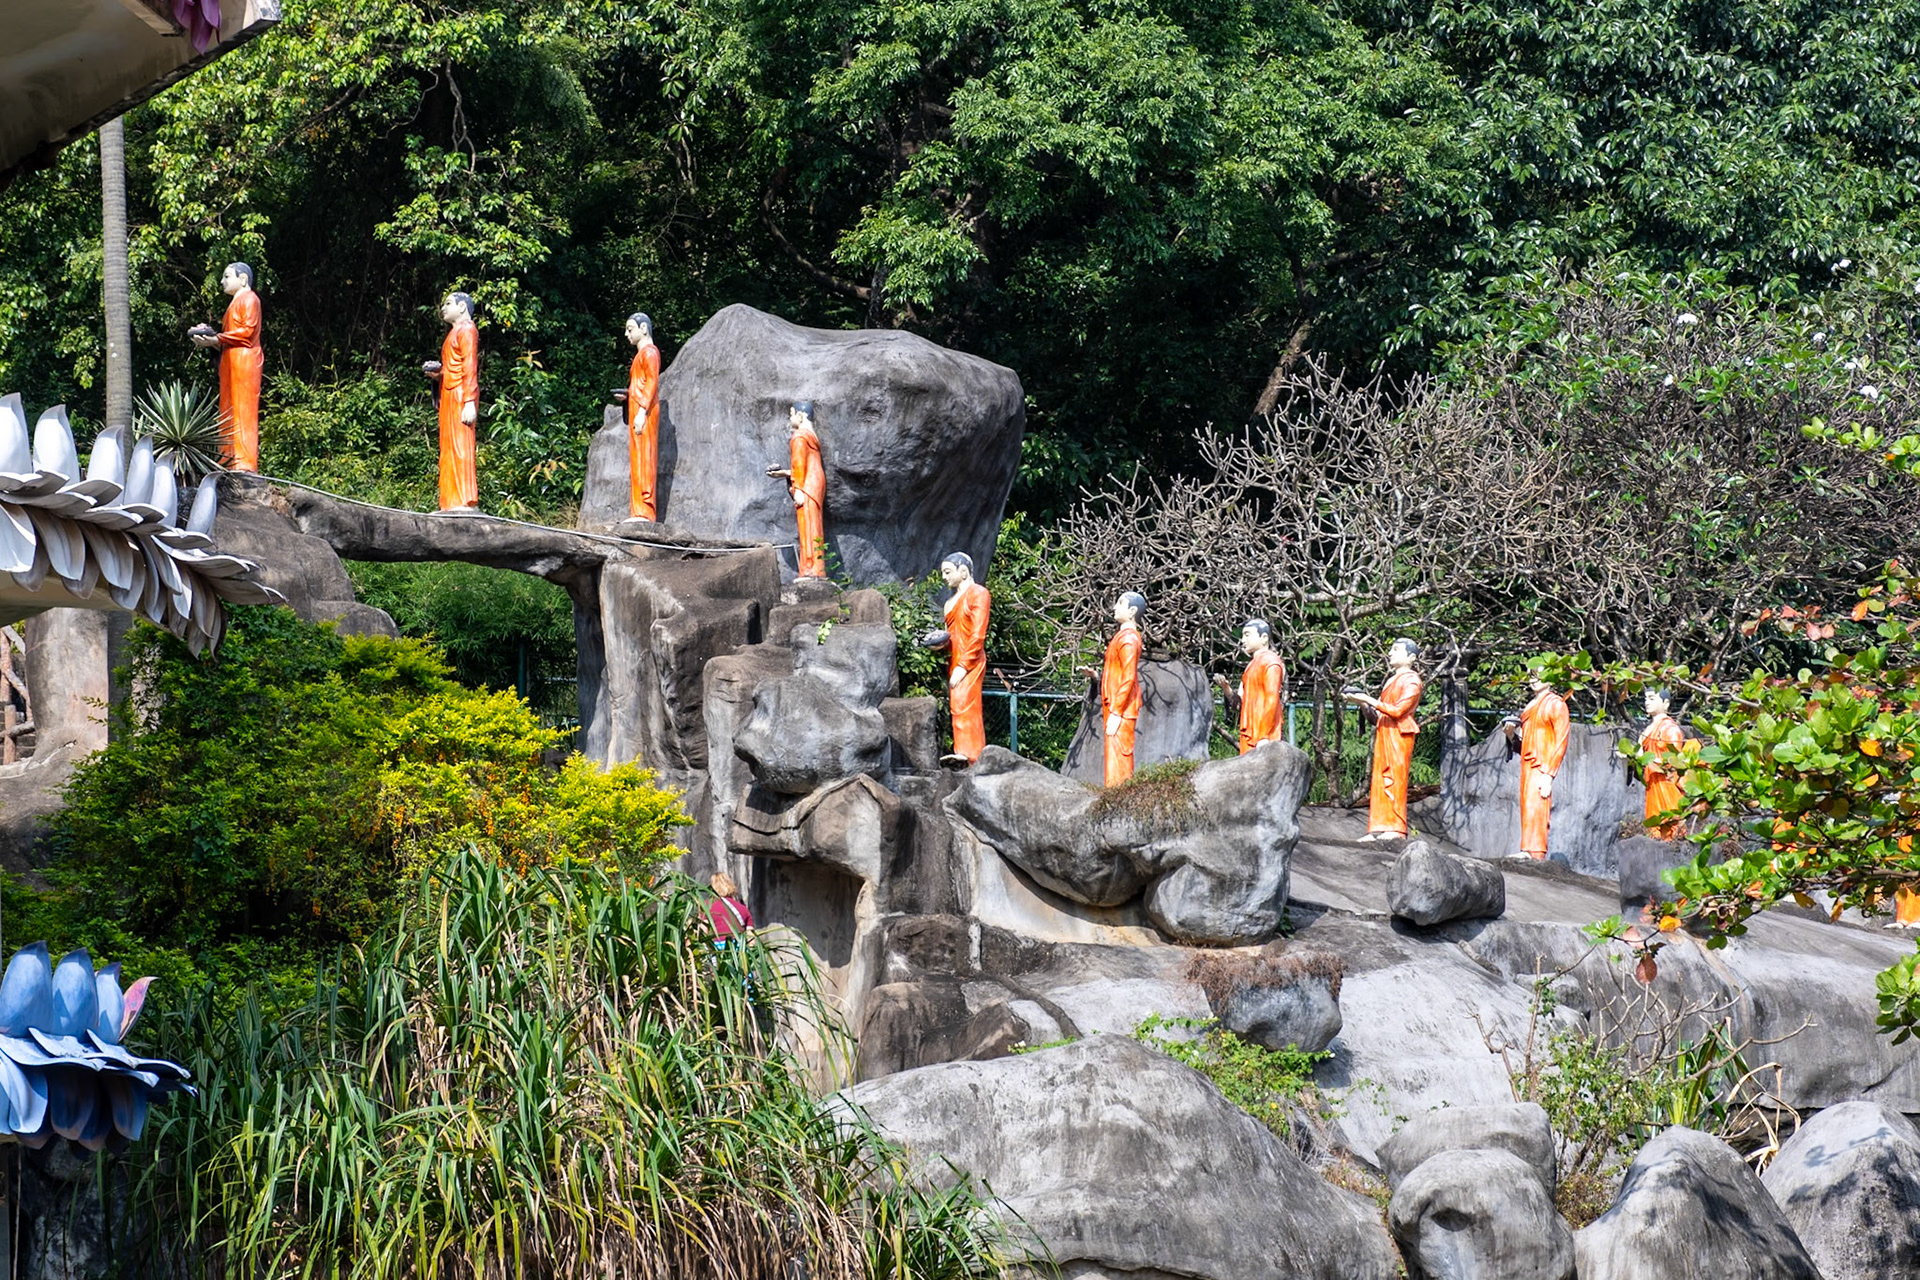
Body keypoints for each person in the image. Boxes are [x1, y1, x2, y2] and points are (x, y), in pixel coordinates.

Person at [1344, 638, 1423, 841]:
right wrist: (1362, 704)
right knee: (1380, 780)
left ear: (1411, 657)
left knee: (1395, 779)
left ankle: (1396, 827)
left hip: (1399, 735)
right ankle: (1378, 826)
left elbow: (1398, 711)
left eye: (1396, 650)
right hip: (1384, 732)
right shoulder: (1390, 681)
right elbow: (1377, 717)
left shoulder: (1412, 680)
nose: (1390, 653)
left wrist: (1367, 699)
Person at [188, 262, 262, 471]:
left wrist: (217, 338)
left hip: (244, 360)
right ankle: (227, 460)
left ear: (243, 279)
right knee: (227, 410)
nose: (222, 281)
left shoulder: (249, 299)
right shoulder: (235, 303)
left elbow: (247, 333)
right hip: (230, 360)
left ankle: (244, 463)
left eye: (227, 276)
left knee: (242, 411)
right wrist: (213, 343)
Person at [925, 552, 990, 764]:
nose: (944, 577)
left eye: (947, 572)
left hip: (970, 659)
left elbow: (978, 634)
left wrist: (964, 665)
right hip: (954, 659)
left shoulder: (978, 594)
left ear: (963, 571)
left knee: (966, 703)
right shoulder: (949, 603)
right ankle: (961, 750)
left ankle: (971, 754)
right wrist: (937, 643)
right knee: (956, 705)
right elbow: (950, 636)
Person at [425, 292, 480, 511]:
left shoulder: (467, 329)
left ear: (462, 307)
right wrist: (437, 375)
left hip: (460, 395)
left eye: (448, 303)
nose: (443, 308)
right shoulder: (453, 333)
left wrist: (469, 401)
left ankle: (464, 499)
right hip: (449, 394)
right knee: (447, 449)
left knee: (460, 447)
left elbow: (469, 366)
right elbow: (452, 367)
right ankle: (449, 501)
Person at [1513, 673, 1570, 860]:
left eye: (1540, 674)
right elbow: (1523, 740)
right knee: (1527, 805)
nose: (1534, 679)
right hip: (1527, 763)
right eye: (1531, 675)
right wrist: (1511, 734)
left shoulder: (1555, 704)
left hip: (1542, 764)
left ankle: (1535, 852)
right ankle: (1526, 848)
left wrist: (1549, 774)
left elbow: (1561, 741)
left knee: (1536, 805)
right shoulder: (1530, 705)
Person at [767, 402, 826, 577]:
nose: (790, 418)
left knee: (808, 526)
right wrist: (785, 473)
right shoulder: (812, 437)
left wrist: (798, 489)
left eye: (791, 414)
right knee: (815, 525)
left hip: (806, 486)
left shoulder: (799, 436)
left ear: (801, 415)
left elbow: (800, 465)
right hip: (815, 483)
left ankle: (810, 569)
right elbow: (806, 466)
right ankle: (818, 568)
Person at [617, 312, 661, 520]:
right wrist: (626, 398)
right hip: (636, 409)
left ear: (643, 329)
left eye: (630, 329)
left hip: (645, 412)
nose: (627, 334)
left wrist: (642, 411)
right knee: (636, 459)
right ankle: (637, 510)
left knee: (645, 458)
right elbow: (640, 384)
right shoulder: (639, 356)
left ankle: (645, 509)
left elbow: (651, 383)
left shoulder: (650, 353)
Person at [1101, 592, 1145, 786]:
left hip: (1121, 708)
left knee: (1119, 756)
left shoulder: (1129, 640)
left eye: (1120, 603)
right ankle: (1114, 795)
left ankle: (1118, 799)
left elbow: (1128, 677)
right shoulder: (1121, 637)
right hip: (1114, 705)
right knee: (1113, 755)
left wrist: (1117, 711)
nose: (1114, 608)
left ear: (1132, 611)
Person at [1637, 688, 1690, 840]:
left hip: (1667, 784)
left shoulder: (1670, 729)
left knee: (1673, 825)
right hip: (1652, 783)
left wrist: (1648, 758)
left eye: (1652, 698)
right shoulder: (1648, 730)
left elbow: (1674, 762)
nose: (1647, 702)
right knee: (1654, 827)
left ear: (1665, 703)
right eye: (1646, 698)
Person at [1226, 618, 1285, 754]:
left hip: (1264, 732)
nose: (1242, 640)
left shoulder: (1271, 662)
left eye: (1247, 635)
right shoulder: (1250, 666)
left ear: (1264, 638)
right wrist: (1227, 690)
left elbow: (1272, 699)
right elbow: (1239, 702)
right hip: (1249, 728)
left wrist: (1264, 735)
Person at [708, 870, 753, 943]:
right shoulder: (743, 908)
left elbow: (702, 931)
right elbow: (751, 937)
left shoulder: (708, 906)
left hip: (716, 949)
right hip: (738, 946)